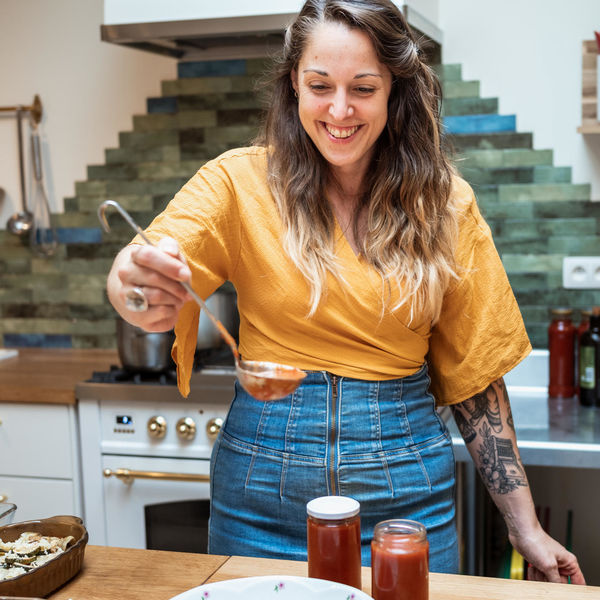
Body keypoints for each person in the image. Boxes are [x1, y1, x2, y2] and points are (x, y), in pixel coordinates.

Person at [106, 0, 585, 583]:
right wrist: (134, 285)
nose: (339, 110)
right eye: (319, 86)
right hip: (258, 499)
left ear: (393, 90)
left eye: (362, 88)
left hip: (408, 504)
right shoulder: (235, 182)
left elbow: (476, 376)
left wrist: (524, 525)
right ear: (294, 85)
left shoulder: (445, 204)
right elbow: (151, 257)